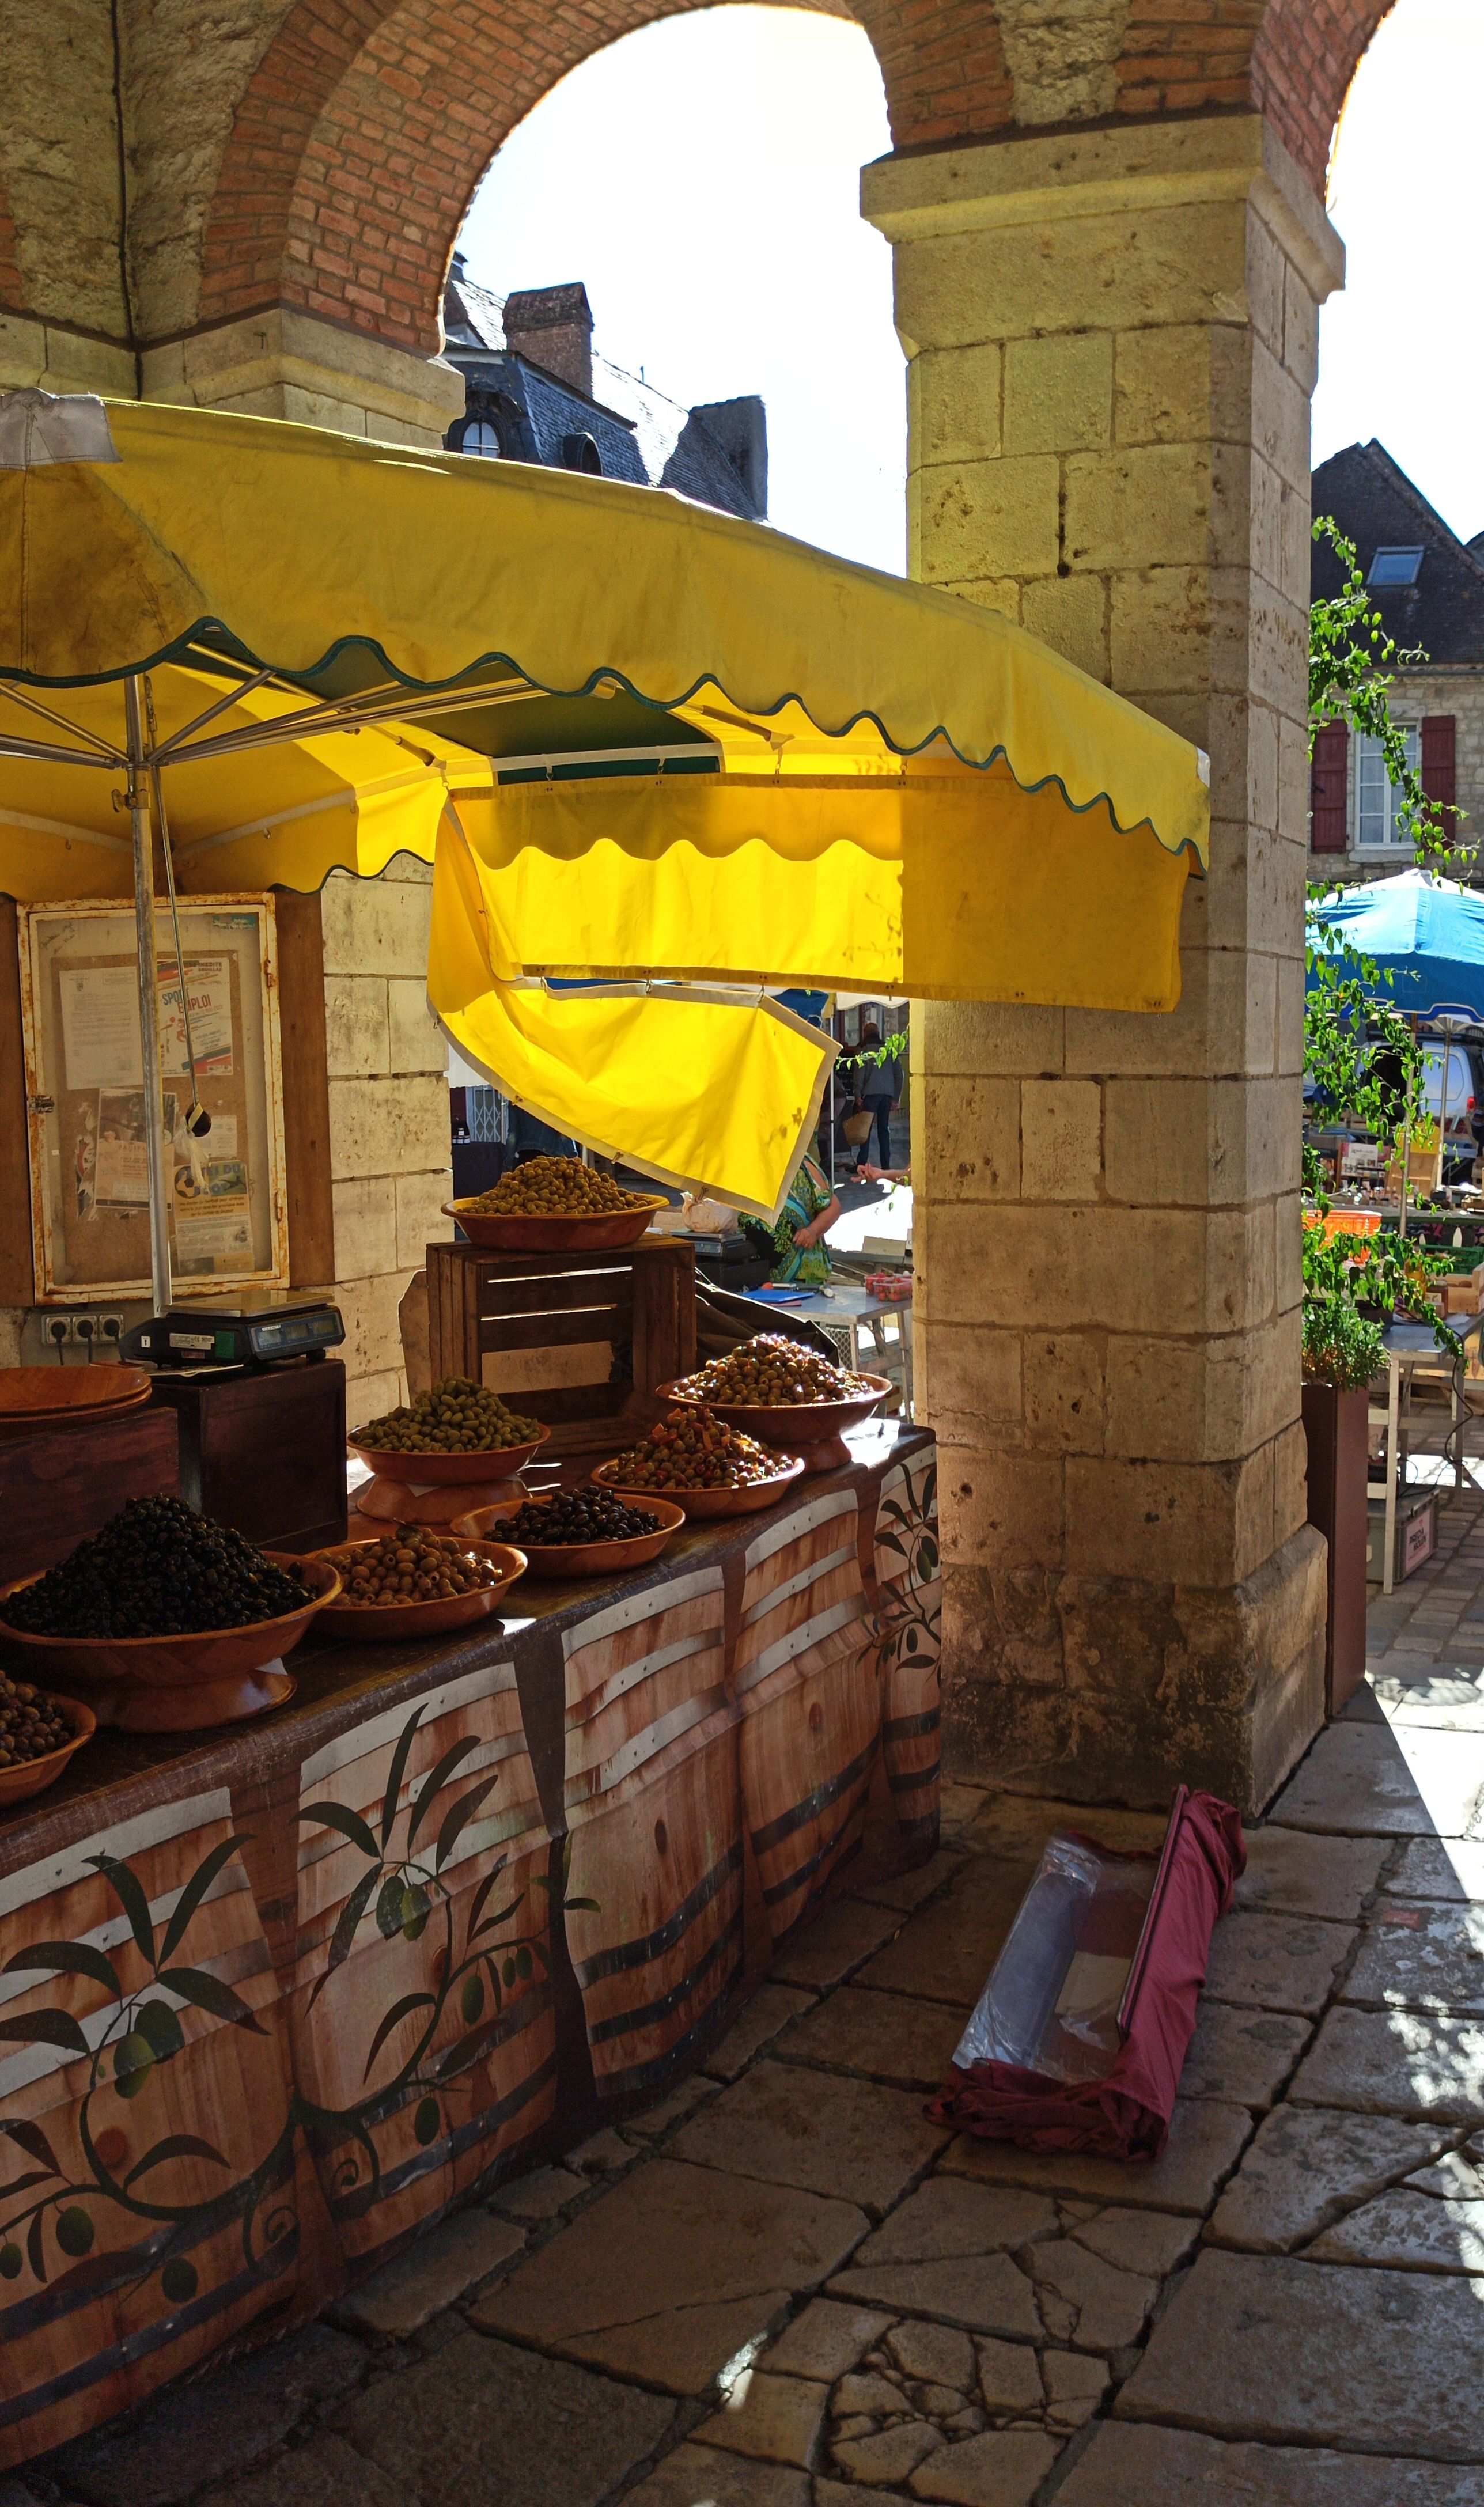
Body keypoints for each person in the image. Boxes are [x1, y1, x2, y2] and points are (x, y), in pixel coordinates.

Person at [769, 1148, 843, 1287]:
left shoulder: (802, 1165)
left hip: (804, 1283)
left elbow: (833, 1207)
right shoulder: (743, 1168)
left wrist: (812, 1231)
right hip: (752, 1282)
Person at [853, 1024, 901, 1173]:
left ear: (864, 1033)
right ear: (878, 1033)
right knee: (884, 1129)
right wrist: (896, 1097)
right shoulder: (888, 1050)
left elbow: (859, 1074)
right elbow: (899, 1075)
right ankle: (886, 1165)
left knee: (865, 1129)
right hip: (887, 1095)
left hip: (870, 1095)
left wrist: (857, 1094)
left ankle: (862, 1164)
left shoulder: (864, 1050)